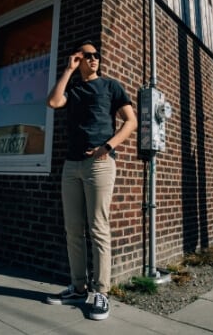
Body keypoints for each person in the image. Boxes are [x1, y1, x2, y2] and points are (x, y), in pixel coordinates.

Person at [45, 40, 137, 320]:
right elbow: (53, 101)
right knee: (73, 229)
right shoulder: (73, 89)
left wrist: (107, 147)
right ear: (78, 58)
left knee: (98, 227)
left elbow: (130, 121)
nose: (93, 58)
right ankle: (77, 287)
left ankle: (101, 292)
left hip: (99, 164)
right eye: (87, 55)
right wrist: (68, 70)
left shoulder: (111, 87)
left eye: (96, 55)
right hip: (71, 165)